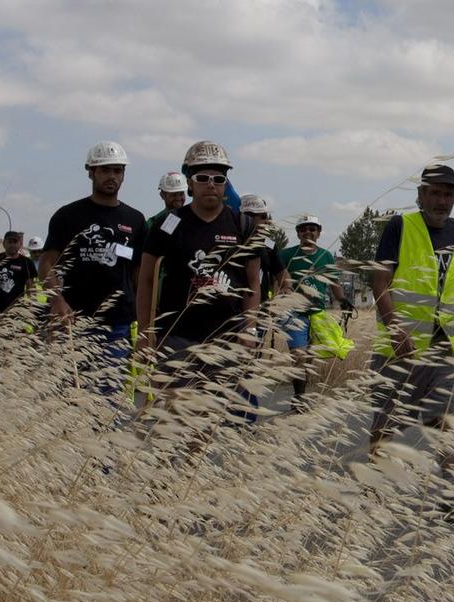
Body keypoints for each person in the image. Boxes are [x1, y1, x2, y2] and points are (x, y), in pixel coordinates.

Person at [368, 164, 454, 518]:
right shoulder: (401, 227)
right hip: (400, 346)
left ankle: (452, 494)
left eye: (448, 194)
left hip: (445, 345)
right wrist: (394, 326)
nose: (441, 200)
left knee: (449, 419)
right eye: (434, 192)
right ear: (421, 195)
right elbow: (379, 279)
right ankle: (374, 485)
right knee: (388, 421)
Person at [135, 140, 263, 417]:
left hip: (225, 338)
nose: (211, 184)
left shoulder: (243, 226)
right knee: (170, 418)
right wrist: (146, 334)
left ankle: (193, 462)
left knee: (206, 422)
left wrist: (250, 329)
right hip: (176, 337)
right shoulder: (168, 224)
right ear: (189, 182)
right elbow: (146, 279)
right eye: (202, 177)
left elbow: (253, 284)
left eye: (219, 178)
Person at [40, 143, 146, 374]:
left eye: (118, 171)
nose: (112, 176)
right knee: (70, 390)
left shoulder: (135, 219)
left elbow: (139, 272)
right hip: (73, 319)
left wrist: (141, 313)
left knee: (107, 389)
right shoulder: (68, 215)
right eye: (105, 170)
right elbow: (47, 262)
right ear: (91, 172)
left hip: (118, 322)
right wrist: (56, 300)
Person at [281, 214, 339, 403]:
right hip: (293, 313)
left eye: (312, 229)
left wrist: (343, 299)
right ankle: (299, 398)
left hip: (317, 314)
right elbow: (276, 278)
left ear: (319, 233)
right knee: (299, 355)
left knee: (309, 358)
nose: (308, 232)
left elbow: (334, 281)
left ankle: (302, 393)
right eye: (304, 229)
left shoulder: (326, 255)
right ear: (298, 233)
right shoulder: (286, 255)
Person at [0, 230, 39, 317]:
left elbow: (31, 289)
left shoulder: (27, 263)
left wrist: (31, 311)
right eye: (9, 242)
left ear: (20, 244)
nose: (12, 245)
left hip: (16, 311)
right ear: (4, 243)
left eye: (15, 242)